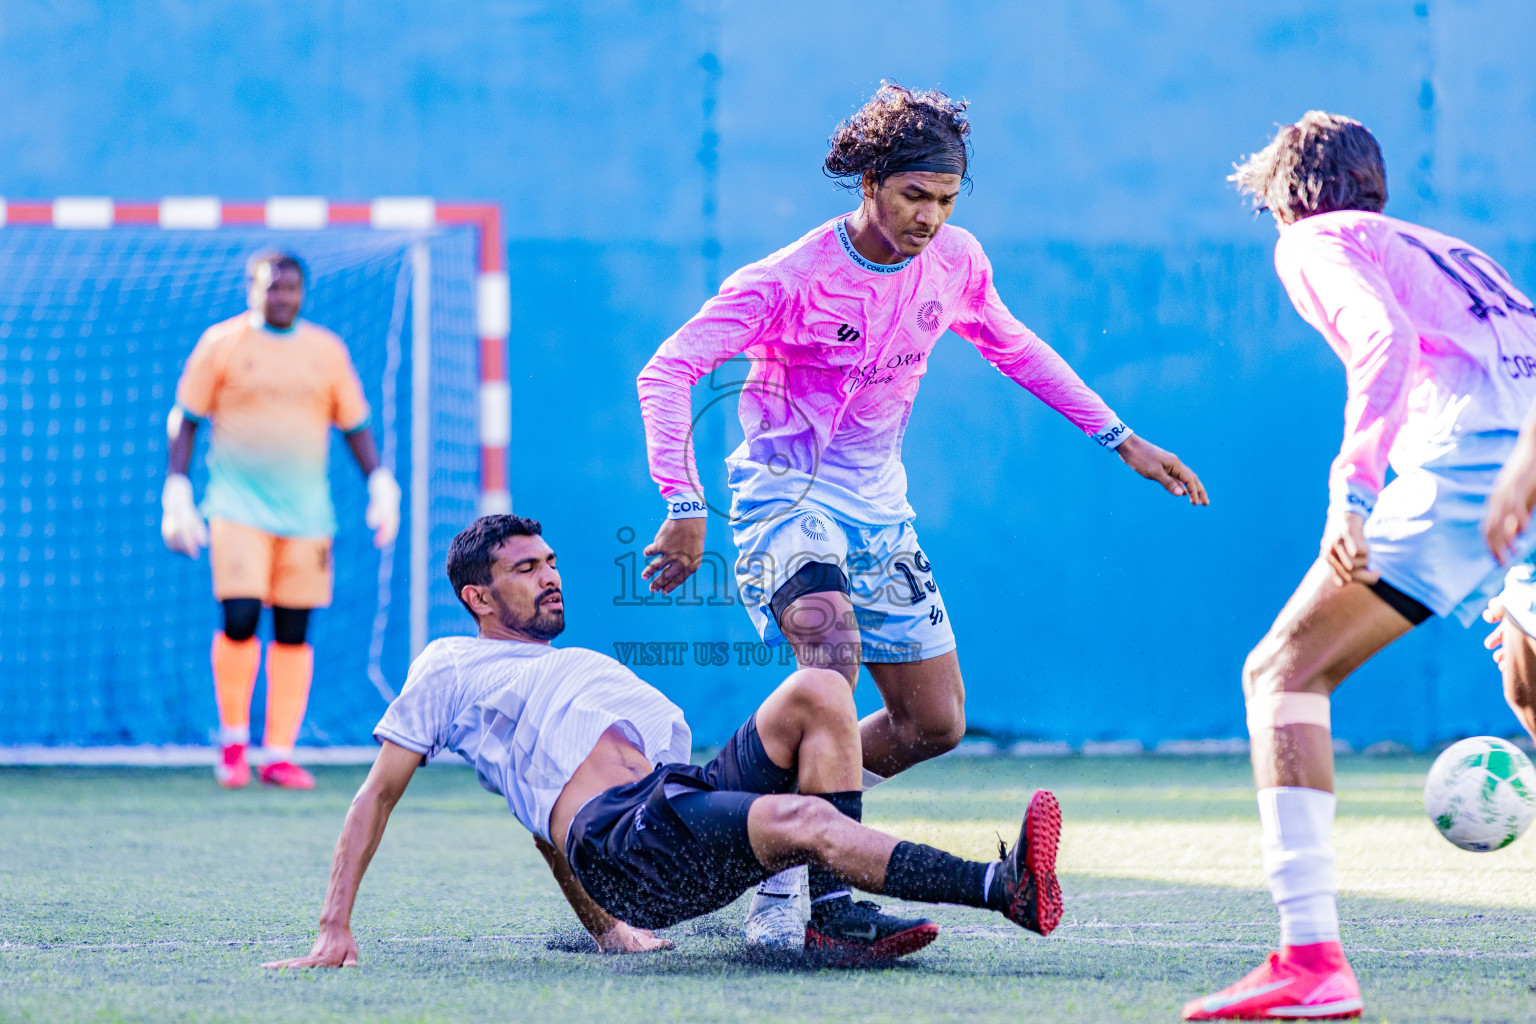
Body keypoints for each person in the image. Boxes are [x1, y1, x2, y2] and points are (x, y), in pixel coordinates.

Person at [637, 81, 1207, 947]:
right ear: (869, 183)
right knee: (831, 664)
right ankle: (823, 903)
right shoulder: (789, 279)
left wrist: (1120, 438)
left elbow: (1014, 346)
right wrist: (683, 502)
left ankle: (771, 842)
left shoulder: (956, 261)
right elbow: (668, 369)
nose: (930, 217)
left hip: (879, 510)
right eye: (914, 195)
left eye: (945, 199)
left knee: (933, 724)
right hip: (786, 498)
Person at [262, 515, 1063, 970]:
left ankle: (828, 912)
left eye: (551, 562)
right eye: (525, 569)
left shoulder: (579, 669)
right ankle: (1003, 888)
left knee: (821, 688)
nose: (551, 576)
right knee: (809, 821)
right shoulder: (450, 666)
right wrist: (334, 925)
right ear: (477, 596)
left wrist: (603, 931)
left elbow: (547, 825)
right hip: (627, 845)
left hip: (677, 802)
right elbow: (379, 797)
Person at [1184, 111, 1536, 1021]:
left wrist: (1354, 491)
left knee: (1282, 673)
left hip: (1476, 463)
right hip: (1525, 454)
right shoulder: (1452, 250)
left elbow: (1384, 342)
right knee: (1529, 685)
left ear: (1284, 200)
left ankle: (1310, 963)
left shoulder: (1314, 240)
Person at [160, 251, 401, 790]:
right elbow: (187, 417)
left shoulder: (326, 351)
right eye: (272, 287)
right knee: (241, 615)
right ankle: (233, 744)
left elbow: (354, 423)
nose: (282, 297)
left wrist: (380, 482)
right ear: (252, 288)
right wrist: (176, 487)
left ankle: (277, 753)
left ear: (302, 292)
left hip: (308, 516)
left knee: (293, 631)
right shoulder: (221, 344)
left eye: (291, 288)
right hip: (236, 508)